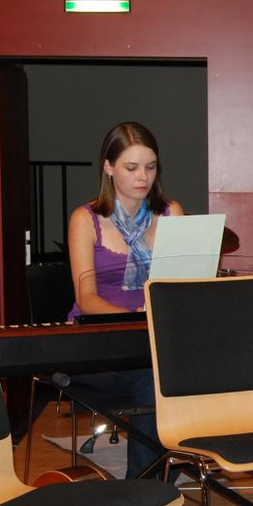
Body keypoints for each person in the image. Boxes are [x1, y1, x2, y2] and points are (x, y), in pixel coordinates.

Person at [67, 121, 184, 480]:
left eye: (150, 167)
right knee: (154, 375)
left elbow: (183, 286)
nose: (143, 177)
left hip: (154, 341)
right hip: (99, 344)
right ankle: (146, 490)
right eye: (131, 167)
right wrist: (136, 318)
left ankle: (158, 484)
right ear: (108, 167)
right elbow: (87, 299)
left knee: (182, 366)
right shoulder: (86, 219)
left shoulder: (171, 213)